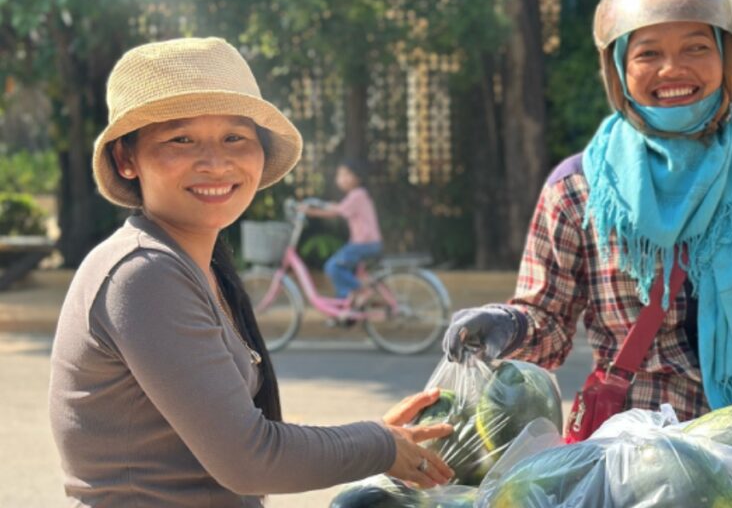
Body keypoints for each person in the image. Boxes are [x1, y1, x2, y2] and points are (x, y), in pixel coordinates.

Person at [48, 37, 453, 507]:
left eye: (235, 138)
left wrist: (379, 436)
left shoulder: (192, 265)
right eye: (181, 139)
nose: (216, 163)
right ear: (126, 159)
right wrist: (378, 446)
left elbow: (237, 431)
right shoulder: (143, 274)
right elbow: (249, 459)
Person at [443, 0, 732, 422]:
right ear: (619, 69)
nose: (673, 69)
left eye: (696, 48)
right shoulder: (577, 188)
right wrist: (508, 325)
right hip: (624, 449)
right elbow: (548, 322)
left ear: (727, 58)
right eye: (648, 53)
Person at [300, 161, 382, 300]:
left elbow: (337, 212)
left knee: (332, 268)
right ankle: (345, 303)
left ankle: (363, 290)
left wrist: (311, 212)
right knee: (343, 271)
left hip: (363, 244)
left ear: (358, 178)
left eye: (346, 174)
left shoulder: (358, 195)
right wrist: (329, 206)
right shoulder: (358, 195)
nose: (342, 178)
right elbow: (341, 208)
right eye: (340, 175)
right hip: (366, 243)